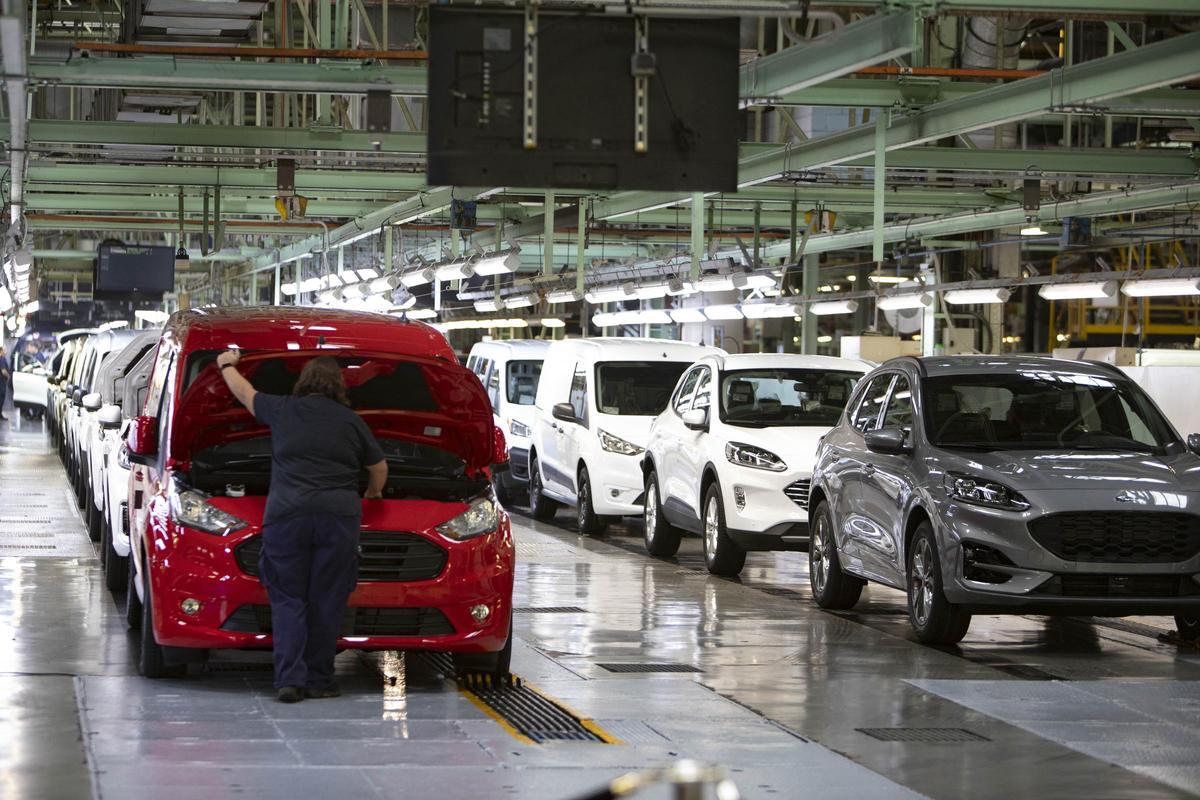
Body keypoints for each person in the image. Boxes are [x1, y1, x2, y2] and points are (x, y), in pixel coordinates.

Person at [216, 349, 389, 703]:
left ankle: (290, 681)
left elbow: (245, 393)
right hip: (337, 519)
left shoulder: (283, 409)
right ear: (339, 385)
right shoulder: (350, 420)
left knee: (288, 599)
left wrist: (225, 365)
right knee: (327, 600)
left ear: (303, 382)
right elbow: (379, 466)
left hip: (287, 516)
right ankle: (320, 681)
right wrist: (373, 492)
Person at [0, 345, 10, 421]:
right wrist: (8, 376)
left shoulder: (2, 358)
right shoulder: (1, 359)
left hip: (2, 381)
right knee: (1, 398)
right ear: (1, 350)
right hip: (1, 382)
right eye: (5, 350)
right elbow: (3, 371)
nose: (6, 351)